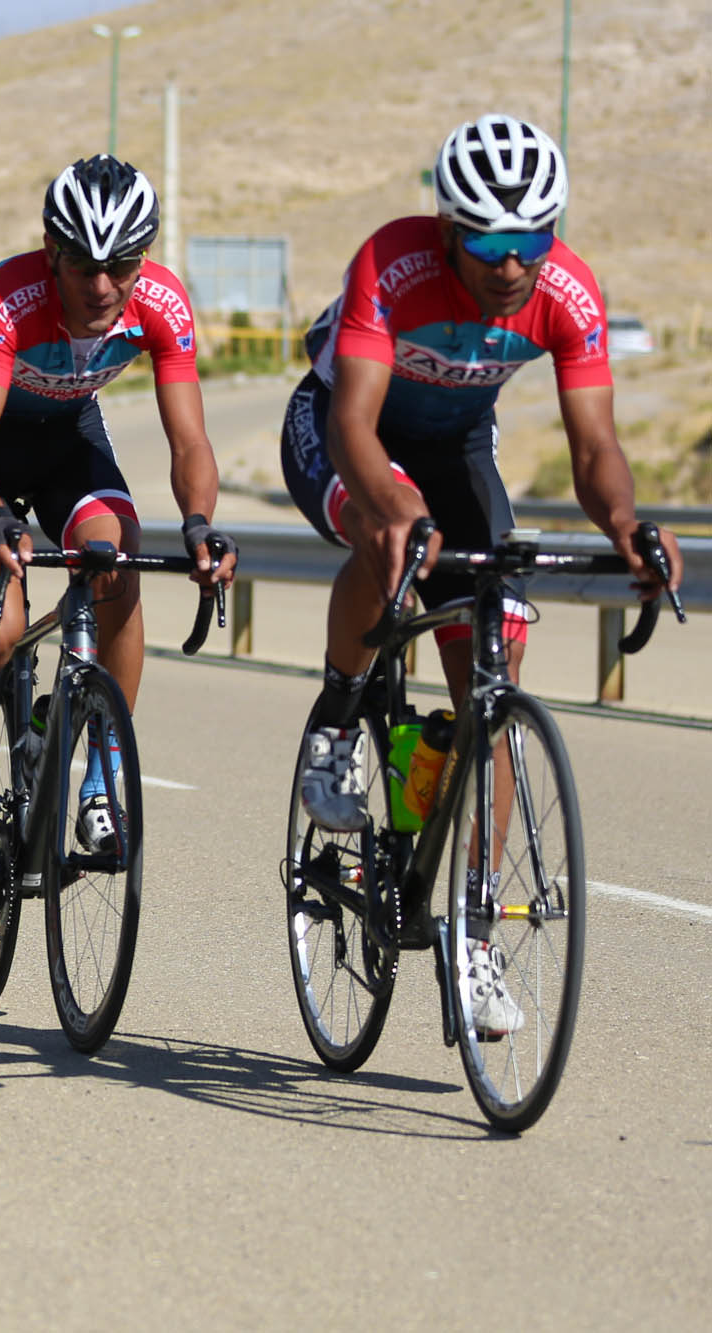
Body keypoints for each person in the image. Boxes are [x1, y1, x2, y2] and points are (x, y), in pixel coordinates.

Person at [283, 113, 682, 1032]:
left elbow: (594, 450)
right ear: (447, 228)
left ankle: (469, 931)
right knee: (381, 542)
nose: (511, 265)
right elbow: (352, 426)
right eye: (489, 243)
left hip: (458, 446)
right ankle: (340, 716)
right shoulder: (394, 263)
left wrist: (623, 520)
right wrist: (389, 505)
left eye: (531, 240)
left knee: (489, 694)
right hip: (350, 430)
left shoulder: (566, 292)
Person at [0, 154, 235, 904]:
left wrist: (196, 524)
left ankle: (100, 783)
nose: (100, 287)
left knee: (116, 565)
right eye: (82, 266)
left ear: (142, 258)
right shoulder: (11, 296)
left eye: (119, 267)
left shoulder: (159, 301)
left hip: (67, 441)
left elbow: (188, 440)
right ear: (51, 252)